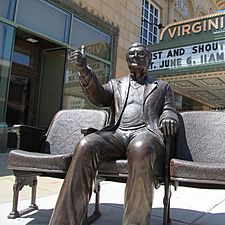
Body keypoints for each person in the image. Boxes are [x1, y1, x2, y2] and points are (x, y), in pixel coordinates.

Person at [48, 42, 178, 225]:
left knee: (140, 148)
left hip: (146, 134)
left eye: (140, 53)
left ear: (149, 58)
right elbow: (99, 97)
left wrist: (169, 116)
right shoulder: (116, 84)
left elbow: (170, 109)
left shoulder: (162, 86)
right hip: (117, 134)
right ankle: (64, 222)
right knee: (86, 145)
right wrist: (85, 71)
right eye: (131, 54)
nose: (135, 56)